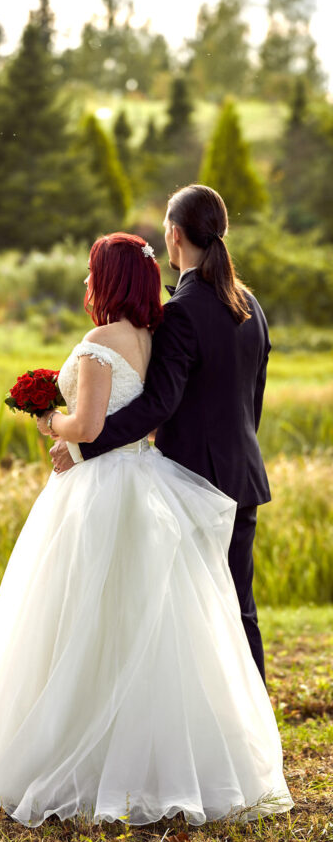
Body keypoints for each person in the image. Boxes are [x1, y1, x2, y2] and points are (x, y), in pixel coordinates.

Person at [0, 225, 293, 827]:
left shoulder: (103, 338)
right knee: (150, 621)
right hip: (145, 479)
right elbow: (155, 409)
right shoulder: (151, 334)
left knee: (80, 617)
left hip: (103, 489)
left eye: (90, 270)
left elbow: (92, 425)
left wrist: (50, 421)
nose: (83, 279)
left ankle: (83, 757)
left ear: (107, 279)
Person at [52, 184, 270, 682]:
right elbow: (253, 393)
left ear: (173, 236)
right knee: (238, 608)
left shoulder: (182, 312)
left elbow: (159, 403)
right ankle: (254, 729)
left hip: (193, 480)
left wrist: (84, 444)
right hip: (243, 475)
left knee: (190, 615)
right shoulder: (250, 304)